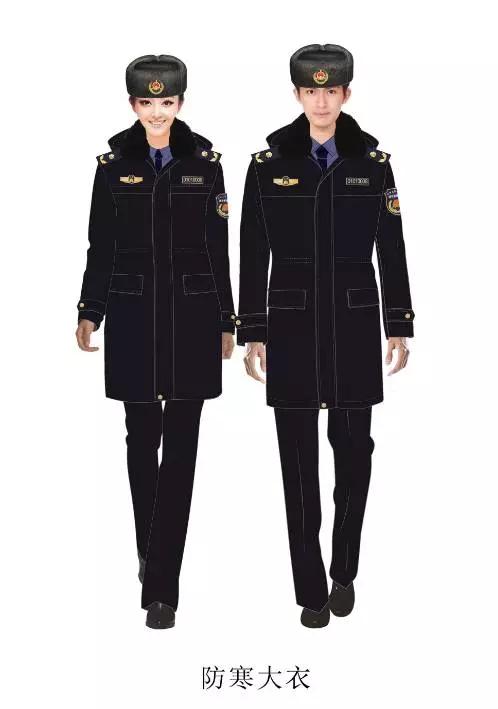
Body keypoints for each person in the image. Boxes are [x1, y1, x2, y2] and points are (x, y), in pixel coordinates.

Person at [236, 43, 415, 628]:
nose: (320, 100)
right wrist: (253, 329)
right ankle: (310, 589)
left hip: (354, 322)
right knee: (297, 466)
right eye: (310, 91)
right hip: (289, 322)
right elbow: (252, 250)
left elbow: (391, 245)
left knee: (355, 454)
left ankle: (343, 569)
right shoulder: (267, 164)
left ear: (346, 94)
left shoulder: (373, 163)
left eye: (330, 90)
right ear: (297, 94)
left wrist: (398, 323)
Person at [75, 54, 236, 629]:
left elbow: (219, 246)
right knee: (141, 441)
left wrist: (228, 320)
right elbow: (100, 244)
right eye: (148, 102)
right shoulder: (111, 166)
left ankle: (162, 586)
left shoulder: (206, 164)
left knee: (183, 448)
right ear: (133, 105)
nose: (158, 112)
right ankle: (152, 553)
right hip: (132, 313)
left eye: (167, 102)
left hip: (193, 316)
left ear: (181, 103)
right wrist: (90, 310)